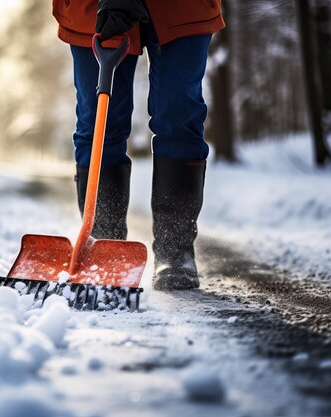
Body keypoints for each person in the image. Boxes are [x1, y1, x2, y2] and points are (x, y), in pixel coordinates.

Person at [52, 0, 225, 290]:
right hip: (93, 6)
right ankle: (105, 246)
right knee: (99, 122)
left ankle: (175, 249)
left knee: (178, 113)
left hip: (182, 7)